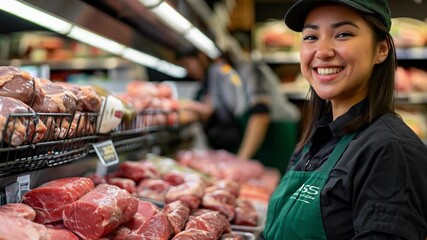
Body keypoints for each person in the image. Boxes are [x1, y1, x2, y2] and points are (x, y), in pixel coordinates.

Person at [264, 0, 427, 239]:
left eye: (343, 34)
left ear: (381, 50)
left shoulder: (389, 151)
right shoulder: (317, 137)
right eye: (311, 37)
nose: (322, 51)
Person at [177, 49, 300, 174]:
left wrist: (240, 160)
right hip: (251, 134)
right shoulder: (218, 75)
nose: (188, 71)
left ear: (202, 56)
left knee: (274, 181)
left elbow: (261, 115)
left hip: (274, 134)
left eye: (187, 64)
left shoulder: (249, 69)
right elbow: (211, 109)